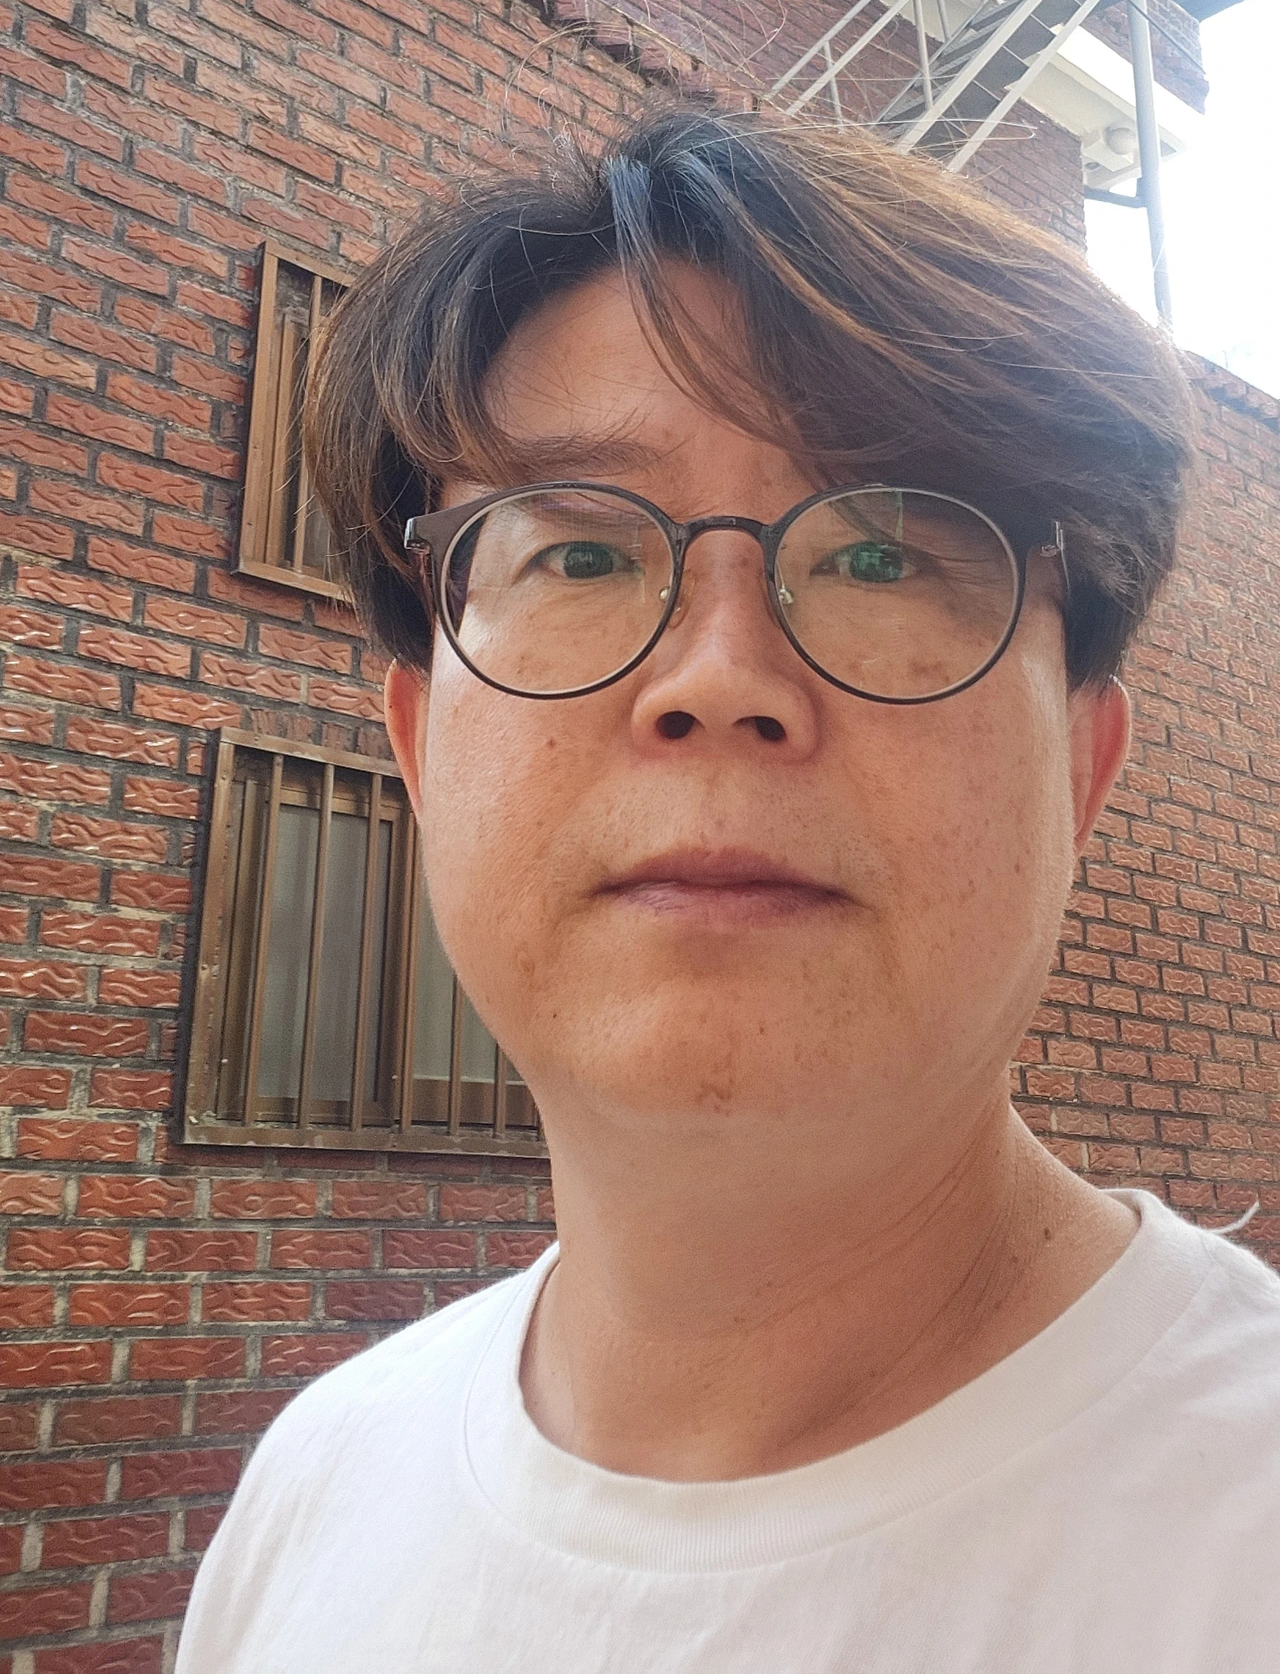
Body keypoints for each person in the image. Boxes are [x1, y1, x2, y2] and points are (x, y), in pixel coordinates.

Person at [176, 110, 1280, 1673]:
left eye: (882, 557)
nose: (717, 680)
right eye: (577, 556)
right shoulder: (313, 1493)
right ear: (419, 751)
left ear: (1079, 770)